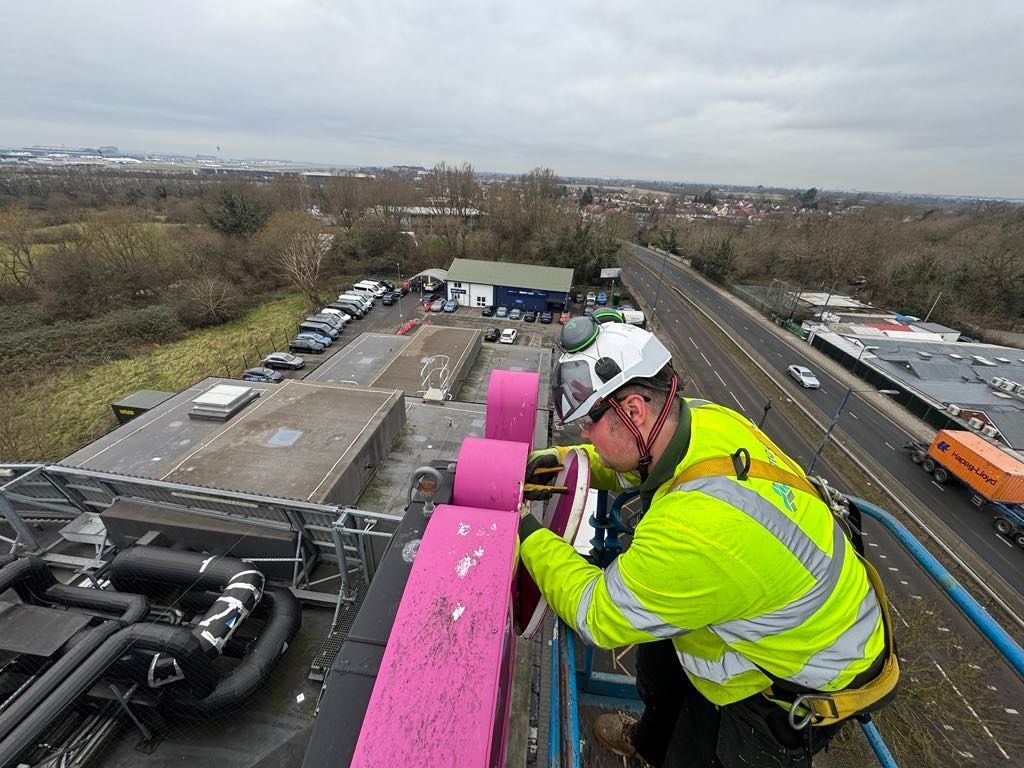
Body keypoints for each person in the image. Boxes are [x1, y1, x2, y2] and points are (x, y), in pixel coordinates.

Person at [518, 317, 897, 768]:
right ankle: (649, 741)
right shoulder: (700, 420)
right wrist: (564, 463)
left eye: (589, 423)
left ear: (634, 410)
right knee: (659, 664)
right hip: (759, 606)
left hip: (786, 687)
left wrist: (529, 534)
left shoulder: (694, 529)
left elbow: (596, 613)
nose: (582, 434)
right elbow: (636, 464)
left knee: (699, 752)